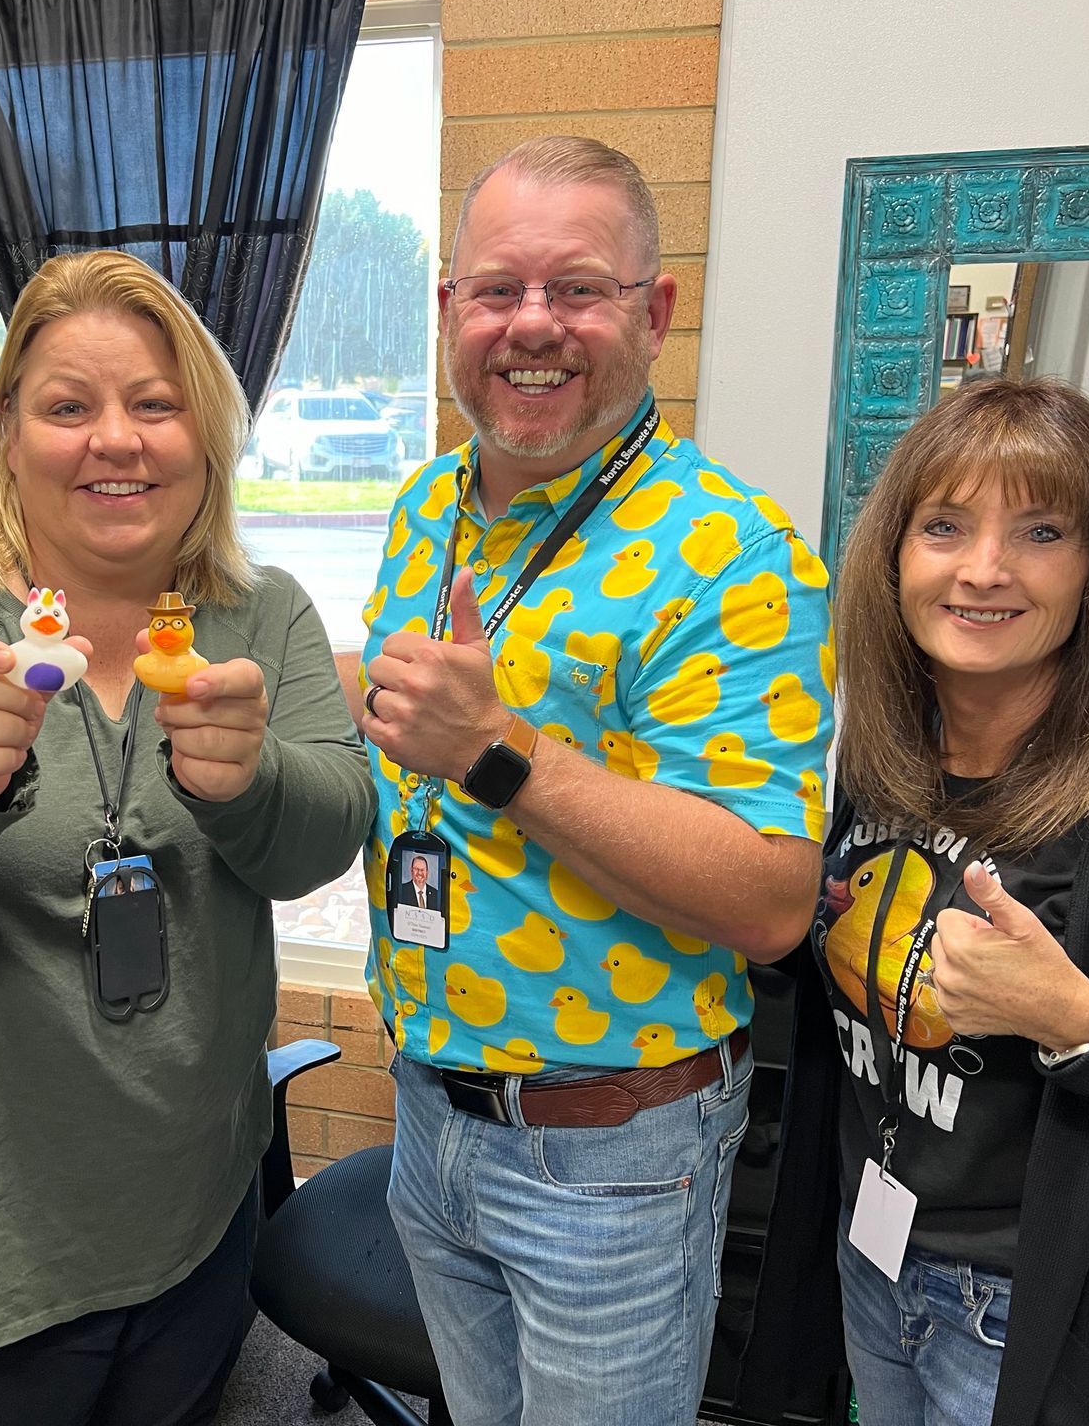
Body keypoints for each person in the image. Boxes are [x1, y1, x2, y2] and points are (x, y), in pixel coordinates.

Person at [0, 249, 373, 1425]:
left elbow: (323, 841)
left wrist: (250, 786)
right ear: (6, 433)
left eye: (156, 404)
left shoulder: (264, 613)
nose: (117, 439)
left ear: (206, 435)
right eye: (67, 406)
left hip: (186, 1205)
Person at [347, 135, 834, 1425]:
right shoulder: (425, 509)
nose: (532, 326)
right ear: (450, 309)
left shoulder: (730, 553)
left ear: (653, 312)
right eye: (497, 289)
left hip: (609, 1156)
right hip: (430, 1113)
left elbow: (774, 898)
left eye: (579, 288)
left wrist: (498, 754)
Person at [739, 377, 1089, 1426]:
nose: (983, 570)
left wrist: (1077, 1023)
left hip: (1029, 1314)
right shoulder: (885, 760)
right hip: (874, 1255)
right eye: (944, 525)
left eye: (1041, 532)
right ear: (896, 555)